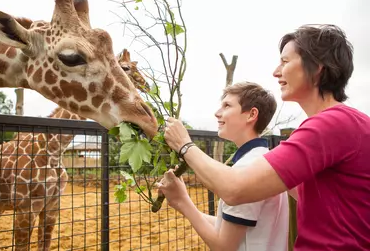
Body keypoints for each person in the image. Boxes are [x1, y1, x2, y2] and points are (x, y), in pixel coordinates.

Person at [158, 24, 370, 251]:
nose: (276, 71)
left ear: (317, 68)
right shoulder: (346, 124)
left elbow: (235, 189)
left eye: (285, 61)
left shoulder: (332, 124)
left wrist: (184, 145)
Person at [157, 82, 289, 251]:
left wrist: (183, 201)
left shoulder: (248, 168)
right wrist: (181, 202)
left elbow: (224, 246)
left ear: (251, 114)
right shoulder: (263, 160)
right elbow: (229, 227)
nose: (217, 113)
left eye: (227, 105)